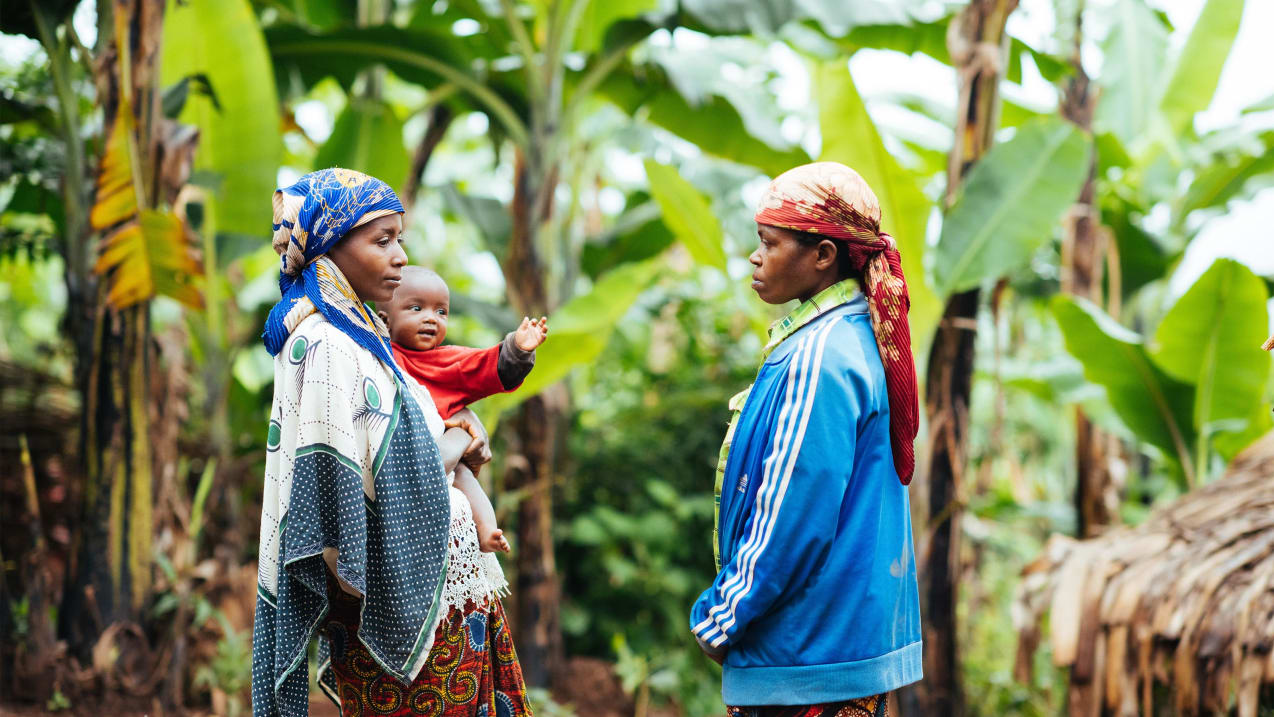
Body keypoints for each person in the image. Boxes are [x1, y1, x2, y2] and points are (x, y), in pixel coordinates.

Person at [251, 168, 532, 717]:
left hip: (439, 592)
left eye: (399, 238)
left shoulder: (362, 335)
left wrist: (455, 436)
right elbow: (347, 493)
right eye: (383, 241)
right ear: (330, 247)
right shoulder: (326, 343)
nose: (400, 256)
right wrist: (455, 441)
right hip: (398, 608)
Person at [689, 162, 923, 717]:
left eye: (769, 243)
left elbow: (793, 509)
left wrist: (721, 617)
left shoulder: (821, 356)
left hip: (807, 656)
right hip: (842, 648)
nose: (755, 255)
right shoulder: (859, 338)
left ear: (823, 255)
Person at [379, 265, 549, 554]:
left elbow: (484, 365)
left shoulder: (446, 361)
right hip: (399, 467)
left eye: (441, 312)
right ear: (385, 320)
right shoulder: (379, 356)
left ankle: (487, 531)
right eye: (417, 308)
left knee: (465, 478)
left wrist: (518, 349)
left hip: (447, 463)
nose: (431, 319)